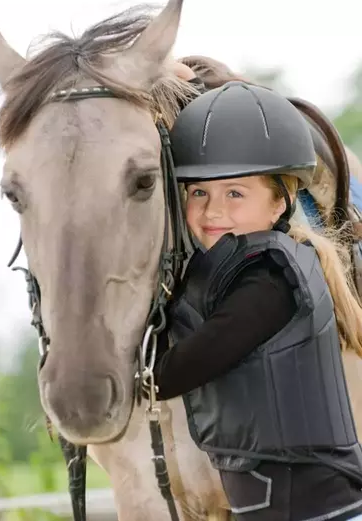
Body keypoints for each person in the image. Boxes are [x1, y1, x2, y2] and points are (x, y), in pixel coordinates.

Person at [151, 80, 362, 520]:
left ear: (278, 204)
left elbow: (173, 373)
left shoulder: (271, 282)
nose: (212, 211)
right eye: (198, 192)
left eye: (235, 193)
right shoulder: (235, 272)